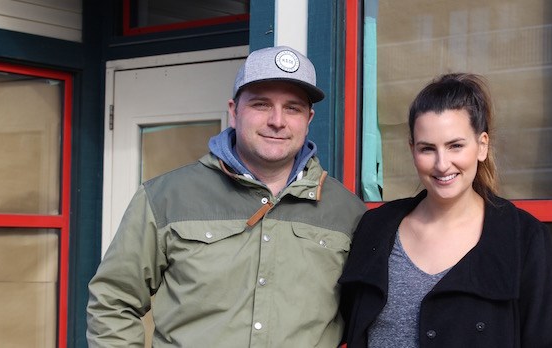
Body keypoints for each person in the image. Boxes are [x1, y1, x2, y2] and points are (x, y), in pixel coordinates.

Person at [87, 46, 366, 347]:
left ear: (308, 118)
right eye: (261, 105)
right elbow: (113, 301)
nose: (277, 120)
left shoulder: (347, 212)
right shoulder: (165, 197)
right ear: (234, 112)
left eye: (292, 108)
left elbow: (367, 319)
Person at [339, 73, 552, 347]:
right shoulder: (375, 228)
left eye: (455, 146)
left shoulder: (523, 238)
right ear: (412, 150)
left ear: (482, 146)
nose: (442, 164)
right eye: (427, 149)